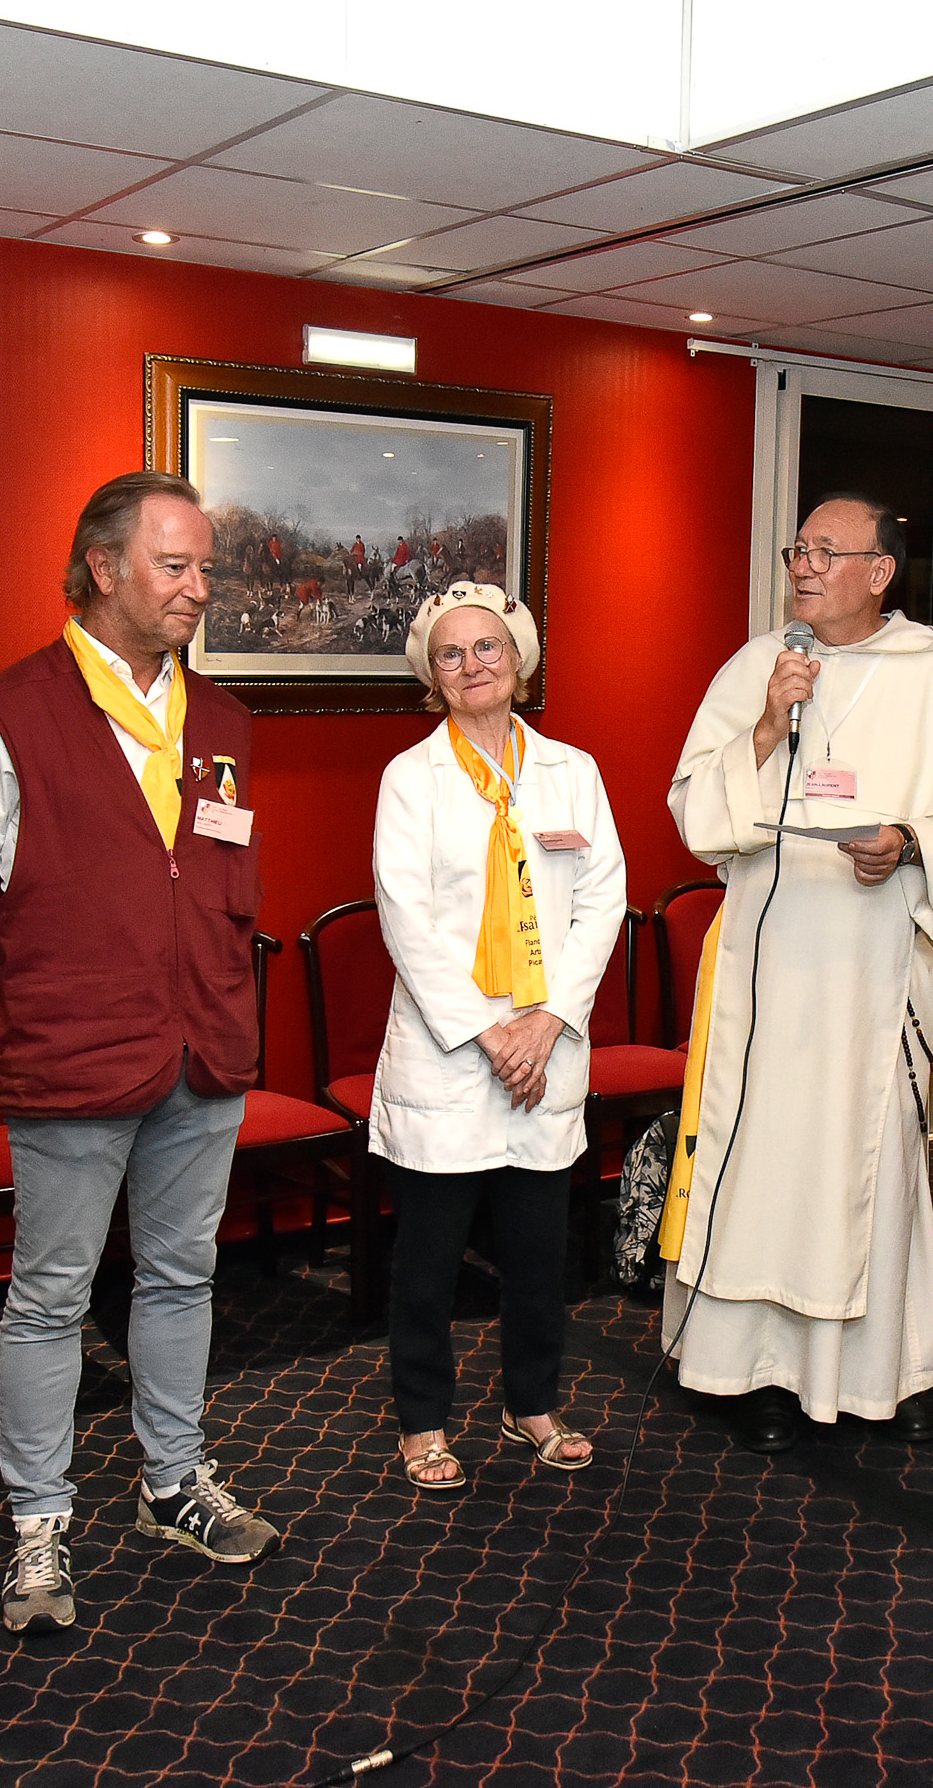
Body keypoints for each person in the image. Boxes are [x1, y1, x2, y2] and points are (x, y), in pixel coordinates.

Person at [0, 471, 280, 1634]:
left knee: (182, 1276)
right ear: (101, 567)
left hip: (204, 1049)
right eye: (175, 565)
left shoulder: (222, 722)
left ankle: (175, 1483)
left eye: (207, 567)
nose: (198, 588)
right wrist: (47, 990)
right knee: (50, 1297)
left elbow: (214, 872)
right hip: (71, 1057)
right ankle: (39, 1525)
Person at [660, 493, 933, 1454]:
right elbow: (695, 814)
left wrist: (906, 844)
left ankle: (876, 1373)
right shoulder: (756, 666)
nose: (803, 567)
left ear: (880, 571)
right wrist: (767, 726)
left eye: (826, 551)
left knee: (869, 1165)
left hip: (874, 965)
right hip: (769, 970)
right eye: (798, 550)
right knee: (764, 1161)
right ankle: (754, 1373)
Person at [371, 583, 623, 1491]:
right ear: (431, 676)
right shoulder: (410, 778)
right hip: (453, 1053)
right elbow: (405, 919)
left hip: (545, 1048)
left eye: (489, 648)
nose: (473, 665)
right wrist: (492, 1035)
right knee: (429, 1262)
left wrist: (548, 1022)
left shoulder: (573, 772)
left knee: (537, 1253)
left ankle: (532, 1404)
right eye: (452, 653)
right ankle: (423, 1422)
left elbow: (602, 900)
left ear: (520, 660)